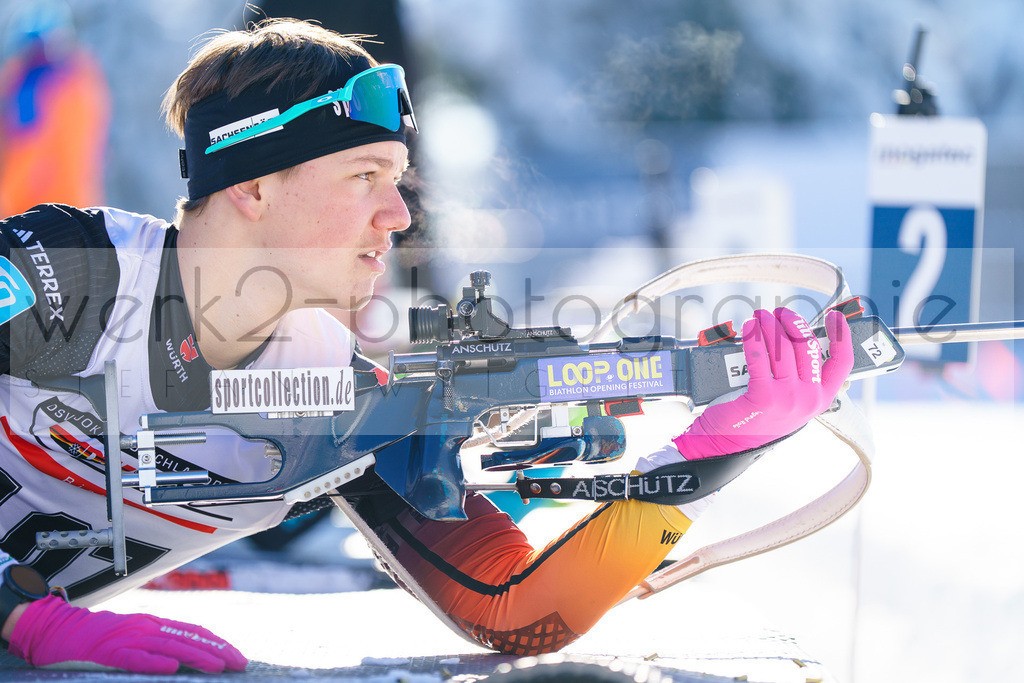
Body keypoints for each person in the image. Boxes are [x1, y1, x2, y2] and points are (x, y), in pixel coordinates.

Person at [0, 19, 854, 673]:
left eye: (399, 179)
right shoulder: (68, 272)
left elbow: (520, 610)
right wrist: (24, 615)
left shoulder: (337, 392)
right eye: (364, 176)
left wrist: (714, 447)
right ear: (252, 186)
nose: (399, 214)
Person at [0, 0, 110, 217]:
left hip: (53, 208)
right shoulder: (81, 77)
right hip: (63, 209)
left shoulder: (68, 82)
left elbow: (35, 150)